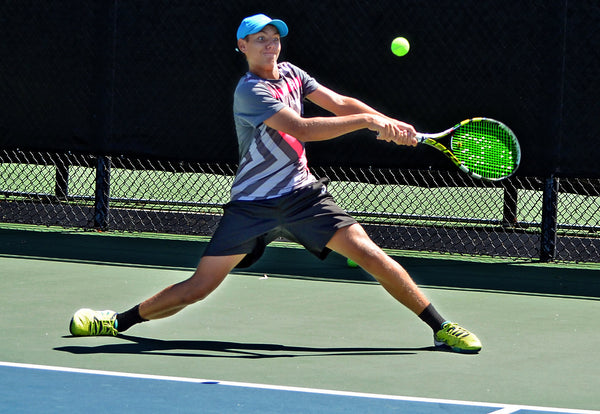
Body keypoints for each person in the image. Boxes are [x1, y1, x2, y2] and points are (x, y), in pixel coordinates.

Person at [69, 13, 482, 354]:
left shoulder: (292, 74)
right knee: (198, 288)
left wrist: (388, 123)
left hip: (303, 197)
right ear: (242, 47)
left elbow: (340, 104)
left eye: (274, 37)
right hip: (253, 205)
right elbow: (301, 128)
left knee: (371, 256)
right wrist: (369, 122)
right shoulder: (250, 91)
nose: (270, 44)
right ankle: (116, 321)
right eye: (259, 39)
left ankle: (441, 327)